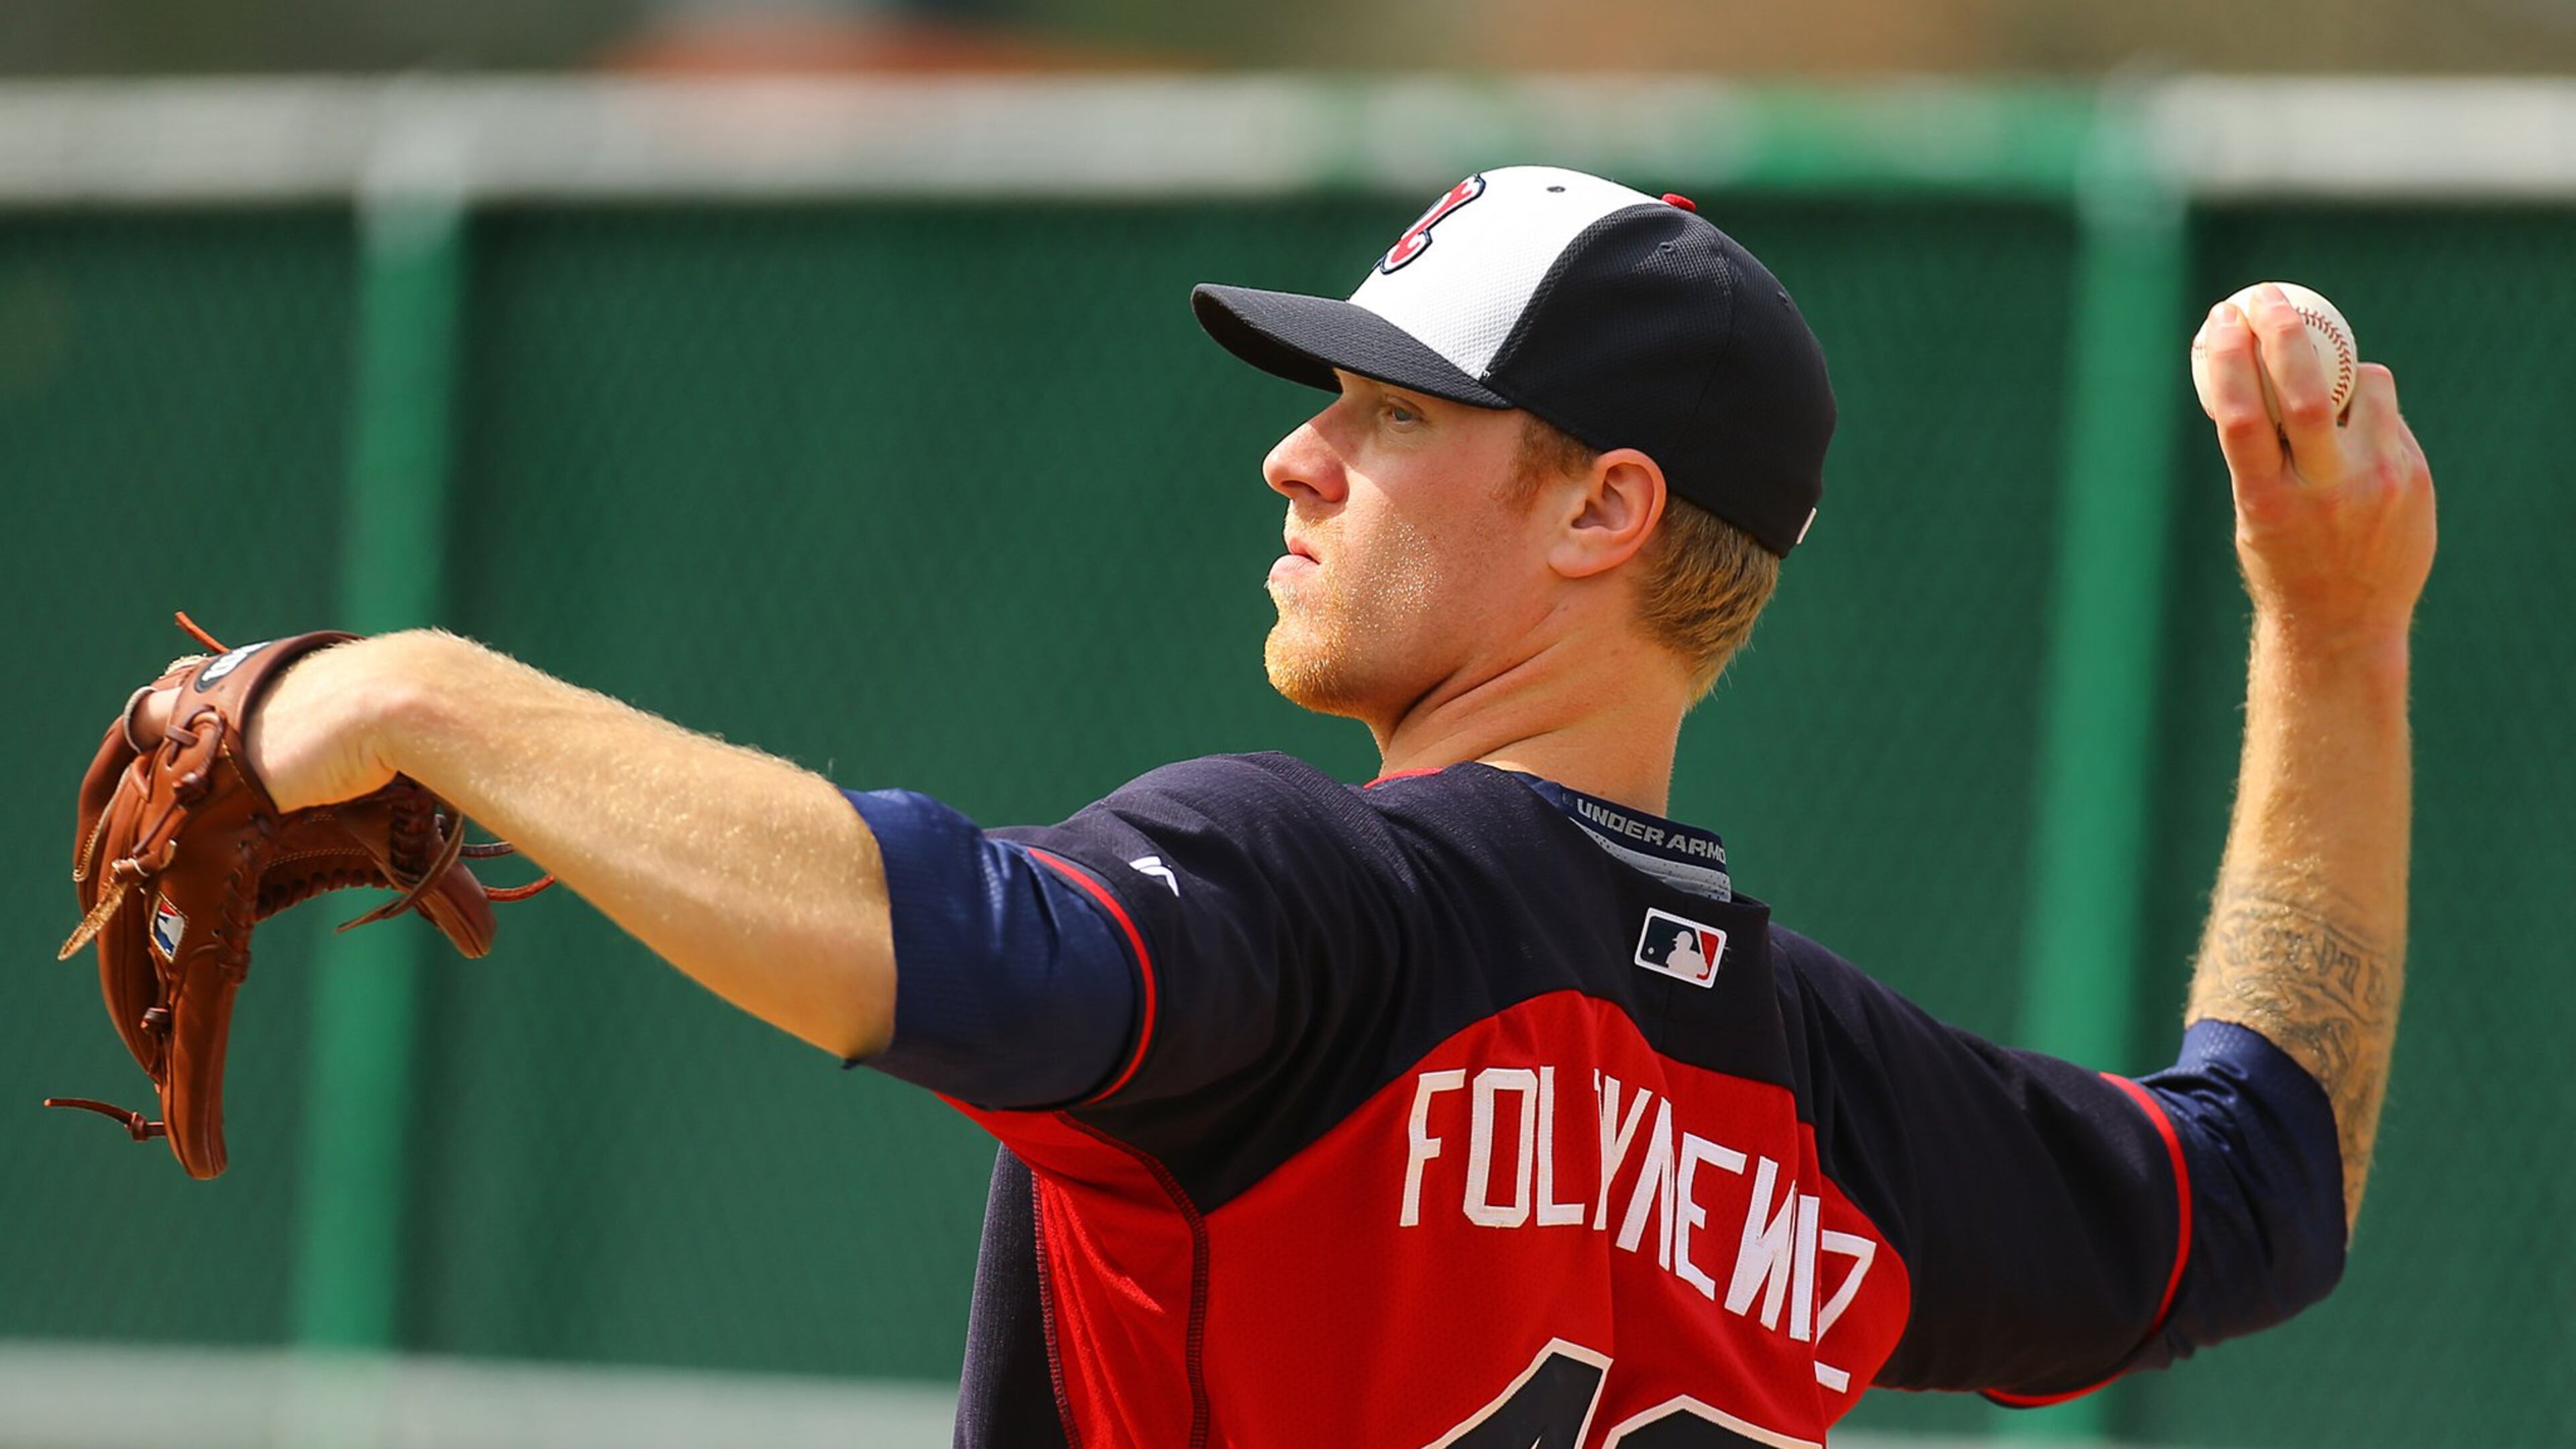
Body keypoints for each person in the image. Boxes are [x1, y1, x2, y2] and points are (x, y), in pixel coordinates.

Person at [142, 166, 2433, 1446]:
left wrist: (422, 694)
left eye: (1391, 413)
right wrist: (2336, 640)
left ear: (1605, 509)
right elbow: (2263, 1183)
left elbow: (943, 947)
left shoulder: (1333, 901)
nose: (1296, 454)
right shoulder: (1823, 1096)